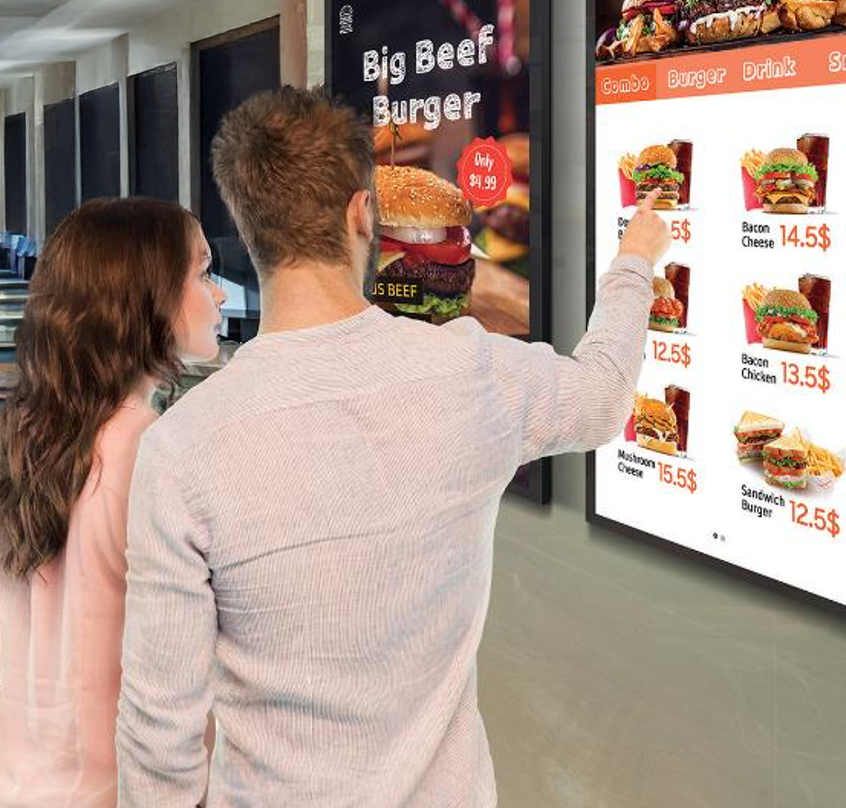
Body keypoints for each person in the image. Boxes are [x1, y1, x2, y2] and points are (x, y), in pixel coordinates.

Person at [115, 87, 669, 807]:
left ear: (247, 229)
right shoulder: (473, 373)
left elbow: (159, 735)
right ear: (362, 213)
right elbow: (603, 396)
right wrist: (633, 262)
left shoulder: (180, 449)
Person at [0, 197, 226, 808]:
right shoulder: (158, 456)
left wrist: (39, 749)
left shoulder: (15, 450)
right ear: (145, 297)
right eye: (204, 273)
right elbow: (190, 677)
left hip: (9, 788)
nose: (221, 295)